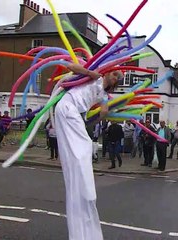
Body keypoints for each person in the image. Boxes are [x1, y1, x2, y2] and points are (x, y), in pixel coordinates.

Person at [54, 63, 122, 239]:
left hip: (75, 113)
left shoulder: (104, 95)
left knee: (84, 145)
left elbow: (104, 110)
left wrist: (101, 116)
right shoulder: (96, 77)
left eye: (118, 78)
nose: (115, 78)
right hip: (68, 107)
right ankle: (82, 179)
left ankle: (82, 182)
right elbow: (70, 66)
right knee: (84, 145)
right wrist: (90, 72)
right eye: (115, 74)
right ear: (108, 72)